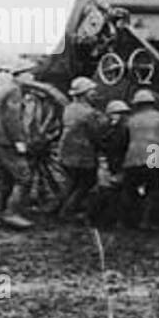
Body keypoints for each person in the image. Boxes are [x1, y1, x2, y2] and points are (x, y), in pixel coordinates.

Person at [0, 74, 34, 229]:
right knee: (24, 178)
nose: (32, 77)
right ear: (20, 75)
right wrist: (19, 141)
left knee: (5, 180)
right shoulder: (15, 91)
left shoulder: (5, 89)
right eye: (29, 74)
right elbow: (11, 119)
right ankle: (12, 214)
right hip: (6, 141)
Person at [55, 76, 106, 221]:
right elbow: (95, 133)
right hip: (82, 153)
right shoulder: (88, 113)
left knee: (75, 181)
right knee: (87, 182)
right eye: (92, 91)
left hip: (66, 151)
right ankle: (67, 211)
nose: (95, 94)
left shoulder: (69, 108)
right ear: (84, 94)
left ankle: (62, 207)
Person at [120, 89, 159, 230]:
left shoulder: (130, 120)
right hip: (153, 151)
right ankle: (146, 220)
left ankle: (126, 221)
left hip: (133, 153)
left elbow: (124, 139)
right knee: (153, 187)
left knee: (129, 188)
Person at [87, 99, 130, 226]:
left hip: (113, 160)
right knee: (110, 190)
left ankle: (104, 218)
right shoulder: (118, 127)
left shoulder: (112, 126)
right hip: (150, 151)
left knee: (110, 189)